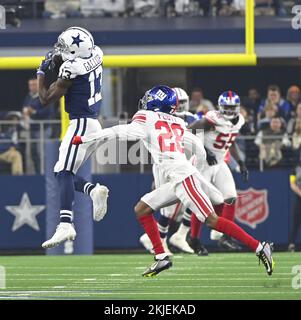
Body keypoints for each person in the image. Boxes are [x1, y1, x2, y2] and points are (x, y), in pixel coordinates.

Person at [73, 85, 275, 277]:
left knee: (212, 220)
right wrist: (199, 163)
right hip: (182, 176)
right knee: (141, 209)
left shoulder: (145, 117)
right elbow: (195, 143)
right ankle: (161, 256)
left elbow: (119, 132)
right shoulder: (177, 122)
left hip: (182, 177)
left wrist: (87, 139)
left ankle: (259, 247)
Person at [36, 26, 109, 249]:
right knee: (61, 173)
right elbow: (73, 60)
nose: (61, 50)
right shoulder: (97, 52)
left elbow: (45, 99)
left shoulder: (72, 67)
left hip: (81, 125)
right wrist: (59, 58)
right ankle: (93, 190)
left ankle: (66, 223)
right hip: (93, 123)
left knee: (64, 172)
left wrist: (40, 73)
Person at [22, 78, 54, 174]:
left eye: (34, 85)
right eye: (30, 85)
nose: (32, 87)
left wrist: (34, 112)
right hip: (32, 129)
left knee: (42, 153)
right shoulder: (29, 97)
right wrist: (26, 112)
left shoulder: (45, 95)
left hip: (43, 128)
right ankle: (37, 173)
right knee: (33, 153)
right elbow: (25, 108)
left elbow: (49, 111)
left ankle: (45, 173)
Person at [288, 163, 301, 252]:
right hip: (299, 198)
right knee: (296, 221)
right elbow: (292, 184)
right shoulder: (295, 169)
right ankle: (291, 244)